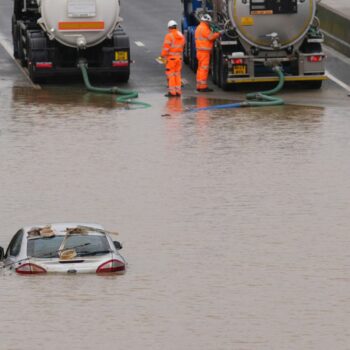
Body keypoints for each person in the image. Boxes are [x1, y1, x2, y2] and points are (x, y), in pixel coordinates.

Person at [195, 14, 222, 92]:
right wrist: (219, 33)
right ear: (206, 21)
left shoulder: (199, 28)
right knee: (204, 69)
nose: (209, 23)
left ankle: (199, 85)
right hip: (204, 52)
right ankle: (203, 86)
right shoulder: (204, 28)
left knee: (200, 69)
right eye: (209, 22)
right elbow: (211, 37)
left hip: (200, 52)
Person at [161, 20, 186, 97]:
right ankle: (178, 92)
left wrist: (162, 55)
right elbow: (183, 46)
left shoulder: (169, 36)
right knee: (177, 75)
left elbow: (166, 48)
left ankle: (172, 92)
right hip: (179, 58)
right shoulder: (181, 36)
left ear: (169, 27)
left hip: (171, 59)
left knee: (171, 75)